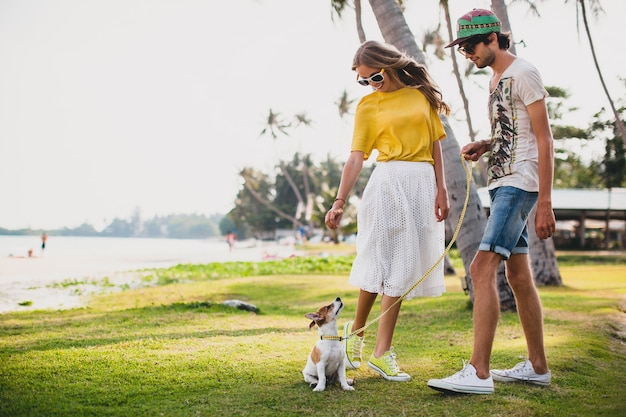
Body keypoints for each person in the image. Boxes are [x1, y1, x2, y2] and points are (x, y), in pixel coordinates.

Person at [427, 9, 556, 395]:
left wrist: (546, 201)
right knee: (518, 275)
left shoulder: (524, 73)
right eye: (462, 48)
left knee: (481, 269)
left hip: (520, 183)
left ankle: (478, 373)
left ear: (493, 39)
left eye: (470, 46)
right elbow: (512, 131)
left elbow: (544, 138)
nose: (467, 54)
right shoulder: (498, 79)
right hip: (502, 183)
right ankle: (538, 366)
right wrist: (487, 144)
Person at [325, 40, 450, 382]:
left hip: (421, 184)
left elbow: (436, 145)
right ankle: (372, 344)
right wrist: (339, 201)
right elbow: (356, 157)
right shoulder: (368, 106)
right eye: (364, 80)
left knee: (402, 266)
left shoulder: (421, 96)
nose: (371, 84)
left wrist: (442, 189)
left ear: (389, 66)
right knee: (381, 264)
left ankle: (366, 340)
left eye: (375, 77)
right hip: (388, 183)